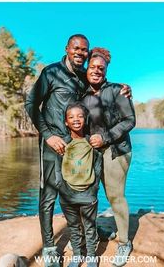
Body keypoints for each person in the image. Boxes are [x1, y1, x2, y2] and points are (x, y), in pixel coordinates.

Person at [25, 34, 130, 267]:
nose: (80, 53)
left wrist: (123, 89)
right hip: (53, 144)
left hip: (77, 146)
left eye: (84, 50)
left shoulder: (85, 75)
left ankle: (87, 235)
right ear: (67, 49)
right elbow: (31, 104)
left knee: (82, 188)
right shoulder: (51, 73)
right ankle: (50, 247)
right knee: (49, 195)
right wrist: (48, 135)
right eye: (76, 48)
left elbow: (103, 87)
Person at [82, 48, 136, 267]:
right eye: (93, 67)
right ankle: (95, 231)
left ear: (105, 71)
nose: (96, 71)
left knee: (115, 196)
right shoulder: (80, 93)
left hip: (116, 150)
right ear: (87, 69)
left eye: (101, 68)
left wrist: (105, 138)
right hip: (90, 152)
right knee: (88, 195)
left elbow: (129, 120)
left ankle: (124, 242)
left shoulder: (117, 91)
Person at [58, 102, 102, 267]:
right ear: (66, 122)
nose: (76, 120)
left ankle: (91, 255)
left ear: (85, 119)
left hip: (88, 194)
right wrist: (61, 189)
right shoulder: (62, 144)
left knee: (89, 227)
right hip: (67, 195)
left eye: (80, 116)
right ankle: (77, 255)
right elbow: (57, 168)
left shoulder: (92, 142)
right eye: (71, 117)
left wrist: (94, 188)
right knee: (74, 227)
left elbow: (97, 167)